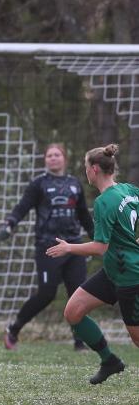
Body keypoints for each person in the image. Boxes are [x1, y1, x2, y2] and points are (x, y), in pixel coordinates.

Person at [46, 144, 132, 385]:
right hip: (113, 271)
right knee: (73, 312)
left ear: (94, 169)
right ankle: (109, 361)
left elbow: (99, 247)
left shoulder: (105, 201)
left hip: (130, 275)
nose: (85, 172)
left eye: (86, 167)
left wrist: (68, 248)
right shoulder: (129, 190)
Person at [0, 143, 94, 350]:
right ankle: (14, 330)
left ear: (64, 158)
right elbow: (22, 207)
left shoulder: (75, 184)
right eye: (49, 155)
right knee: (46, 294)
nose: (53, 158)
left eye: (57, 154)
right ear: (45, 160)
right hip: (47, 247)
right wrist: (9, 224)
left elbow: (84, 215)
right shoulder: (38, 184)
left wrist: (98, 238)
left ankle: (80, 342)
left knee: (78, 294)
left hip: (73, 246)